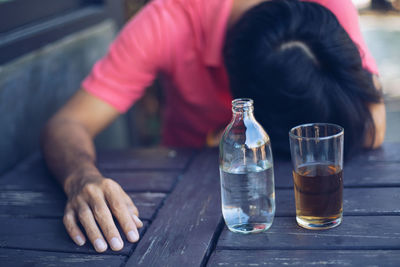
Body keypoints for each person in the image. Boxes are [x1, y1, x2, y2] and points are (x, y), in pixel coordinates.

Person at [41, 0, 386, 253]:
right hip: (192, 204)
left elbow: (373, 124)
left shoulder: (326, 10)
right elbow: (67, 122)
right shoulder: (169, 21)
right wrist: (81, 177)